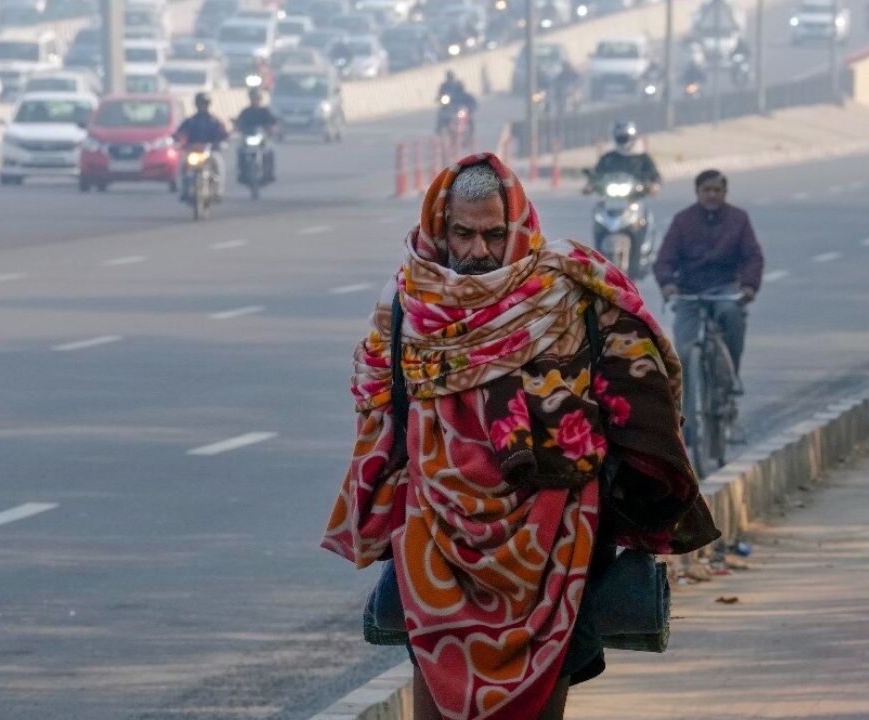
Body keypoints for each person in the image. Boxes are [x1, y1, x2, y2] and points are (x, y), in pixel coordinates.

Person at [323, 153, 720, 720]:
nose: (479, 250)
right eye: (464, 233)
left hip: (555, 536)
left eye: (492, 234)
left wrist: (646, 489)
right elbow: (375, 403)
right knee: (435, 693)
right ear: (441, 227)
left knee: (542, 700)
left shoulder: (568, 287)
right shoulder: (408, 304)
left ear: (517, 226)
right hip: (436, 532)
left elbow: (642, 384)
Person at [654, 168, 763, 379]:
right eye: (706, 190)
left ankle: (731, 376)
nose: (711, 194)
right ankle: (688, 404)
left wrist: (749, 285)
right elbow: (664, 259)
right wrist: (667, 283)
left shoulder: (738, 219)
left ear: (725, 192)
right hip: (689, 291)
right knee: (683, 352)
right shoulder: (682, 221)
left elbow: (753, 256)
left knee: (732, 316)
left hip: (725, 288)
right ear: (697, 192)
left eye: (717, 189)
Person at [174, 92, 229, 199]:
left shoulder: (214, 121)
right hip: (192, 151)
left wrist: (220, 142)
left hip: (209, 152)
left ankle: (218, 191)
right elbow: (179, 133)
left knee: (218, 163)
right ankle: (183, 190)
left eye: (204, 104)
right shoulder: (190, 121)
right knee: (182, 165)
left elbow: (223, 134)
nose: (202, 106)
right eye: (200, 104)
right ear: (196, 105)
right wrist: (178, 141)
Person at [591, 121, 661, 190]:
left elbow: (653, 174)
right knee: (600, 201)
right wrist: (590, 185)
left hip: (635, 195)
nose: (623, 141)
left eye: (625, 138)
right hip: (611, 195)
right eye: (621, 138)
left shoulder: (642, 157)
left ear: (633, 138)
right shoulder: (608, 158)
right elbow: (597, 172)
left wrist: (653, 185)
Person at [234, 88, 277, 183]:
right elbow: (238, 122)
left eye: (256, 98)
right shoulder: (245, 112)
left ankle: (270, 173)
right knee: (239, 150)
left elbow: (273, 122)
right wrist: (237, 127)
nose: (255, 100)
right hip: (247, 138)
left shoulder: (265, 111)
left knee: (270, 150)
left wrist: (271, 130)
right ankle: (241, 172)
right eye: (253, 98)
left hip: (262, 139)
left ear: (260, 99)